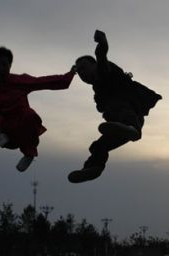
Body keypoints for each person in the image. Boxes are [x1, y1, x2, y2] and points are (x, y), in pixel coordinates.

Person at [68, 30, 162, 183]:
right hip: (121, 128)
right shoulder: (98, 91)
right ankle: (93, 168)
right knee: (99, 146)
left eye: (84, 68)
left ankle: (132, 129)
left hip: (130, 116)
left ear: (94, 65)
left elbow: (101, 55)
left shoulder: (104, 70)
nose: (82, 74)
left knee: (115, 106)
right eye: (79, 73)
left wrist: (102, 42)